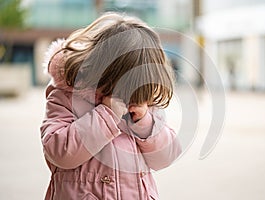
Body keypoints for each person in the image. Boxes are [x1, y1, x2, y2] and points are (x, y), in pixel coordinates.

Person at [40, 12, 182, 200]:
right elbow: (59, 152)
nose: (131, 95)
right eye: (126, 86)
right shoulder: (66, 95)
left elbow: (165, 157)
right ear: (104, 71)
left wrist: (144, 123)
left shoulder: (143, 103)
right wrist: (106, 115)